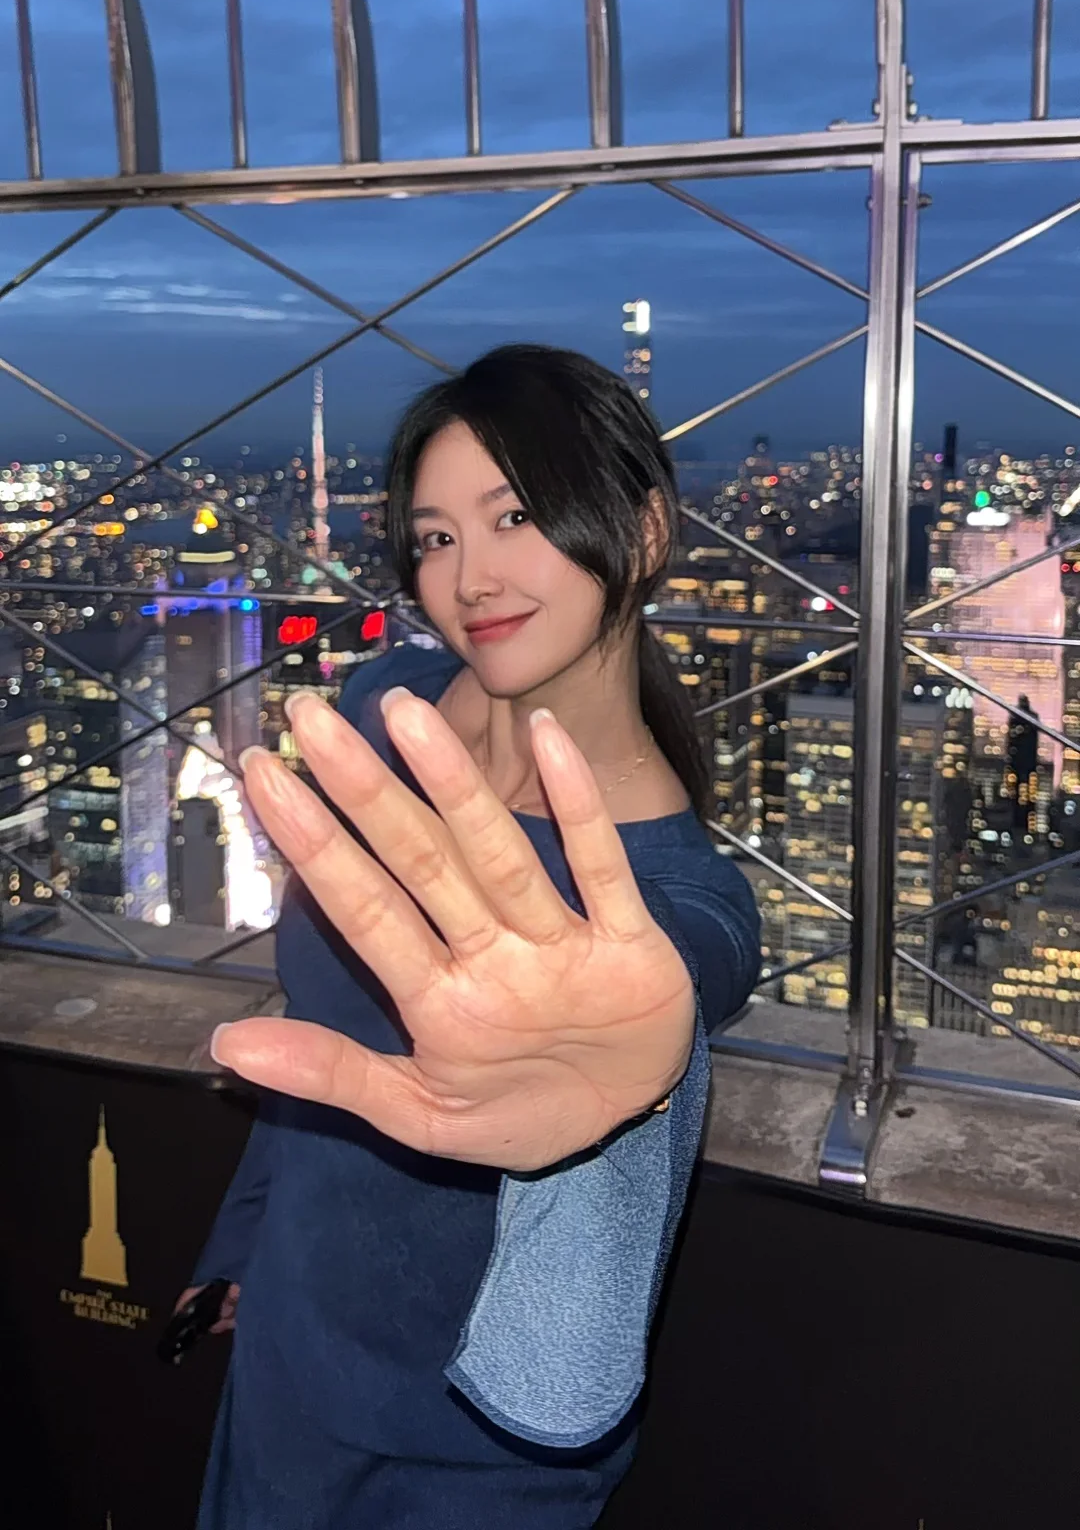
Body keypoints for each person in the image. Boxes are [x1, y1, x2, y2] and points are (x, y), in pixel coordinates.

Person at [183, 343, 761, 1529]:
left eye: (515, 517)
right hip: (285, 1357)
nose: (471, 577)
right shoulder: (383, 710)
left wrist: (652, 1037)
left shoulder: (664, 896)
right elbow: (322, 1028)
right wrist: (240, 1246)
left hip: (472, 1447)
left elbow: (691, 961)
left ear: (646, 532)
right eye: (437, 536)